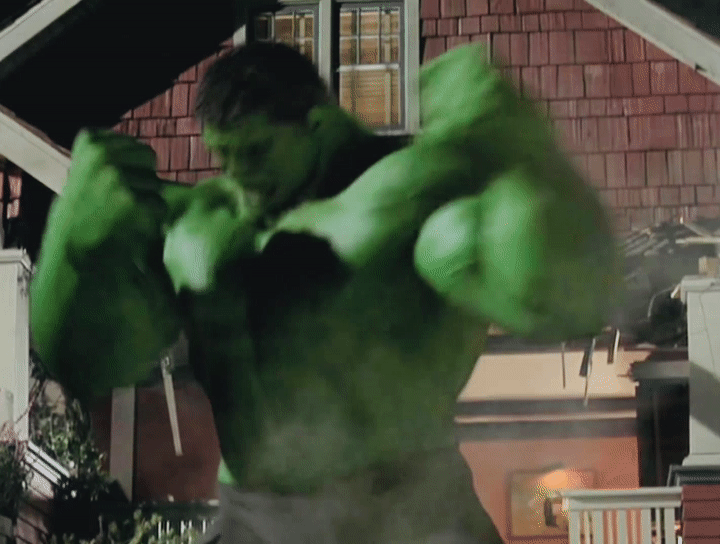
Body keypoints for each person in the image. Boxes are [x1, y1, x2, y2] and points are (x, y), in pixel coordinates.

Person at [30, 41, 621, 543]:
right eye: (224, 156)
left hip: (410, 517)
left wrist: (525, 154)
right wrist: (70, 248)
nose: (241, 177)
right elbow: (85, 365)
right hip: (256, 523)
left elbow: (570, 302)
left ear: (316, 125)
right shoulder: (197, 227)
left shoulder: (413, 204)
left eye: (257, 151)